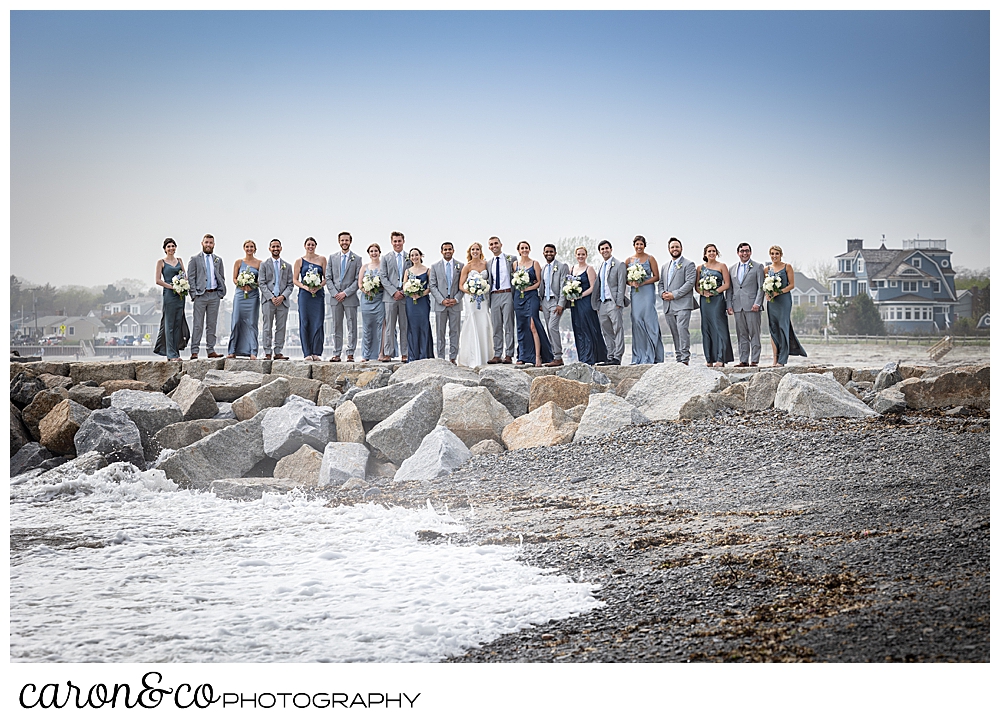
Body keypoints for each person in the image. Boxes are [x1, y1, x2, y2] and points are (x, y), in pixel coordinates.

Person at [764, 245, 807, 367]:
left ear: (781, 255)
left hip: (784, 300)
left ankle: (782, 360)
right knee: (773, 328)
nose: (774, 256)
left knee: (783, 326)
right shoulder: (767, 269)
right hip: (772, 302)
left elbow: (791, 285)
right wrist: (768, 294)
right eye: (772, 254)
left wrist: (779, 292)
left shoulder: (787, 267)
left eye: (776, 254)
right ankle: (775, 358)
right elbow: (765, 286)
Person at [512, 241, 554, 367]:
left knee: (533, 325)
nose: (524, 250)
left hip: (531, 296)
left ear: (529, 250)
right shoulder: (515, 265)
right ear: (519, 251)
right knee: (521, 326)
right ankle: (522, 355)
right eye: (522, 248)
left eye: (526, 248)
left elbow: (539, 282)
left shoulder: (535, 263)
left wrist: (528, 288)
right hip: (519, 298)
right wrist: (520, 287)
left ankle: (538, 356)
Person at [625, 235, 664, 365]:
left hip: (647, 292)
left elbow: (657, 276)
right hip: (635, 293)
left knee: (648, 319)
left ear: (644, 245)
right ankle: (638, 356)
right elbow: (625, 279)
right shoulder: (628, 260)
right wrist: (632, 283)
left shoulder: (650, 258)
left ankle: (652, 355)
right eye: (637, 244)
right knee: (636, 319)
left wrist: (643, 281)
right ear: (634, 245)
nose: (639, 247)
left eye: (641, 244)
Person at [725, 242, 766, 367]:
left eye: (747, 251)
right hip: (738, 306)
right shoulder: (732, 269)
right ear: (738, 253)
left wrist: (757, 303)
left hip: (752, 306)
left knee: (754, 333)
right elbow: (730, 289)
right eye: (742, 251)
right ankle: (743, 360)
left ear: (750, 252)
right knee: (741, 334)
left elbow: (761, 287)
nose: (744, 253)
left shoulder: (758, 267)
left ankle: (754, 360)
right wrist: (729, 304)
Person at [187, 233, 227, 359]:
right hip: (200, 295)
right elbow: (191, 278)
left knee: (212, 324)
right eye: (206, 242)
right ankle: (194, 351)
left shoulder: (218, 260)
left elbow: (221, 276)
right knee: (198, 324)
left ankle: (211, 350)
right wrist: (193, 294)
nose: (208, 245)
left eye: (211, 243)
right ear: (202, 243)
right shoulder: (194, 259)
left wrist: (220, 293)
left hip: (214, 295)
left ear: (214, 245)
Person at [658, 237, 697, 365]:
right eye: (672, 247)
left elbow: (690, 283)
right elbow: (661, 283)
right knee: (674, 332)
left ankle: (685, 358)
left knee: (682, 329)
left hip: (683, 303)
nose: (675, 249)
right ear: (669, 249)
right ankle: (678, 358)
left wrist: (674, 294)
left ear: (681, 248)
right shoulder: (664, 266)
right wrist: (662, 293)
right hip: (668, 305)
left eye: (677, 247)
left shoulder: (689, 264)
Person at [696, 243, 734, 367]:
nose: (711, 253)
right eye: (709, 251)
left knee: (719, 327)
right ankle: (709, 359)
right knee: (706, 328)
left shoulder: (722, 266)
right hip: (705, 301)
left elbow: (727, 284)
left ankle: (721, 358)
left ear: (716, 253)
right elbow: (696, 286)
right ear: (705, 254)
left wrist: (714, 292)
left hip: (717, 300)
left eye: (713, 251)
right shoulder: (700, 268)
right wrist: (703, 292)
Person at [568, 246, 608, 365]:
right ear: (575, 255)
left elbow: (593, 287)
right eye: (578, 254)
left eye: (583, 254)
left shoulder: (589, 269)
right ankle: (583, 356)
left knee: (588, 328)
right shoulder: (572, 269)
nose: (581, 256)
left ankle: (593, 357)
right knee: (578, 328)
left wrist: (580, 295)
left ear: (586, 255)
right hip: (574, 304)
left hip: (585, 302)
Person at [456, 242, 494, 368]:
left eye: (477, 249)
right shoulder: (467, 266)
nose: (475, 251)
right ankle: (472, 357)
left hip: (483, 298)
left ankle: (485, 356)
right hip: (471, 299)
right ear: (470, 252)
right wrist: (472, 291)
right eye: (473, 249)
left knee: (483, 322)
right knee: (472, 322)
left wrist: (482, 290)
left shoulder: (486, 264)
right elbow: (461, 286)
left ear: (480, 251)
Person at [326, 231, 361, 362]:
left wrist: (345, 293)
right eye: (342, 240)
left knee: (352, 326)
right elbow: (328, 278)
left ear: (350, 241)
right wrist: (335, 293)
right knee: (336, 327)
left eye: (347, 240)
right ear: (339, 241)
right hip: (335, 299)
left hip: (350, 298)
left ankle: (350, 353)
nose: (344, 242)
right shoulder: (332, 257)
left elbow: (358, 280)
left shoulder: (357, 259)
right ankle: (336, 353)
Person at [591, 240, 626, 365]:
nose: (605, 250)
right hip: (602, 303)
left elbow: (622, 285)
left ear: (611, 249)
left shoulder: (619, 264)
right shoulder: (602, 266)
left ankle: (618, 356)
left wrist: (619, 302)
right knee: (606, 331)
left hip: (613, 302)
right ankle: (610, 355)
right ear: (600, 251)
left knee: (618, 329)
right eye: (602, 249)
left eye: (606, 248)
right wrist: (597, 304)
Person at [258, 238, 294, 360]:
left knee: (281, 327)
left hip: (283, 301)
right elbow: (261, 283)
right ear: (269, 249)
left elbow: (290, 285)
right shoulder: (264, 265)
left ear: (281, 248)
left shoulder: (287, 266)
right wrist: (271, 297)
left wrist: (282, 296)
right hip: (268, 301)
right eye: (273, 247)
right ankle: (267, 352)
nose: (275, 249)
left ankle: (278, 351)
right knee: (267, 327)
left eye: (277, 246)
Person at [429, 241, 464, 363]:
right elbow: (432, 286)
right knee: (440, 332)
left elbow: (463, 285)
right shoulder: (435, 266)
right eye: (445, 249)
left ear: (453, 250)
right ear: (441, 251)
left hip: (455, 304)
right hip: (440, 304)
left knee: (455, 332)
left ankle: (453, 357)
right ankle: (441, 358)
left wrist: (456, 299)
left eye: (450, 249)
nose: (447, 251)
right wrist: (442, 300)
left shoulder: (461, 265)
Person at [227, 239, 262, 359]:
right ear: (244, 248)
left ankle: (253, 351)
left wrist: (252, 284)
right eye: (247, 247)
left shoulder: (259, 263)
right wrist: (241, 283)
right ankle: (232, 351)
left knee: (252, 322)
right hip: (240, 295)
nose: (249, 249)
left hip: (253, 296)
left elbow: (260, 280)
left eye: (252, 247)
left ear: (255, 249)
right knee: (236, 321)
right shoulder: (238, 262)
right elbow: (234, 279)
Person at [154, 238, 187, 361]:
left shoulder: (180, 260)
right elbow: (157, 280)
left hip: (180, 296)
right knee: (169, 324)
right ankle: (170, 354)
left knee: (178, 323)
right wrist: (172, 287)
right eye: (168, 246)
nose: (171, 248)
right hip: (169, 295)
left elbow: (184, 275)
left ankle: (176, 352)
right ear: (164, 249)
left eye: (173, 246)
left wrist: (183, 286)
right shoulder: (161, 262)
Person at [379, 231, 410, 362]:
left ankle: (405, 353)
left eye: (399, 241)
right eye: (395, 241)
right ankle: (388, 353)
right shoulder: (386, 258)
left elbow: (412, 276)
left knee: (404, 326)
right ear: (392, 242)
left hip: (404, 296)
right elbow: (383, 277)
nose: (397, 243)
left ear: (403, 241)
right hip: (390, 297)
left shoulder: (410, 257)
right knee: (389, 327)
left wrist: (403, 290)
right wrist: (393, 292)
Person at [293, 236, 326, 361]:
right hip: (305, 295)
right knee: (305, 322)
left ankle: (316, 352)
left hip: (318, 295)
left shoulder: (322, 259)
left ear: (315, 246)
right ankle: (307, 352)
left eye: (312, 244)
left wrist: (318, 286)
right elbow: (295, 279)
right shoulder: (299, 261)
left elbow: (326, 278)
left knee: (317, 322)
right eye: (308, 244)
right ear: (305, 246)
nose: (310, 247)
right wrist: (305, 287)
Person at [539, 244, 570, 367]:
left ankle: (558, 356)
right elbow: (542, 286)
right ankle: (554, 356)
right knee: (549, 328)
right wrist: (540, 303)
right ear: (543, 253)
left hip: (555, 302)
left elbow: (564, 286)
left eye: (551, 251)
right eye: (546, 252)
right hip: (545, 302)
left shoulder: (562, 267)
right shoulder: (544, 268)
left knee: (553, 327)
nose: (549, 253)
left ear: (555, 253)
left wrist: (561, 304)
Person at [486, 236, 516, 364]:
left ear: (501, 244)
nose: (494, 246)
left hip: (507, 293)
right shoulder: (489, 263)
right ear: (489, 247)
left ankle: (509, 354)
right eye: (491, 244)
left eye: (496, 243)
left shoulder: (511, 259)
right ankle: (497, 353)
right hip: (494, 295)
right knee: (496, 325)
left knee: (508, 324)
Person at [402, 248, 434, 361]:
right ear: (410, 258)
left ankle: (425, 354)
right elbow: (404, 286)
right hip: (411, 302)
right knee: (413, 326)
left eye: (416, 255)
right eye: (412, 255)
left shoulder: (427, 270)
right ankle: (413, 355)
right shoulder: (408, 271)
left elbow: (430, 287)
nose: (414, 257)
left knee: (424, 325)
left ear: (421, 256)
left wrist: (420, 294)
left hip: (423, 301)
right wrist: (411, 294)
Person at [357, 243, 385, 362]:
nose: (374, 253)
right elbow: (359, 284)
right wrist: (366, 290)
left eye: (376, 251)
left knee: (381, 327)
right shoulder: (364, 267)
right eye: (371, 251)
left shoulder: (383, 266)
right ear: (369, 254)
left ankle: (381, 353)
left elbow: (385, 281)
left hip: (380, 299)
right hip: (367, 300)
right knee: (367, 327)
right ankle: (366, 354)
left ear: (379, 252)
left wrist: (377, 287)